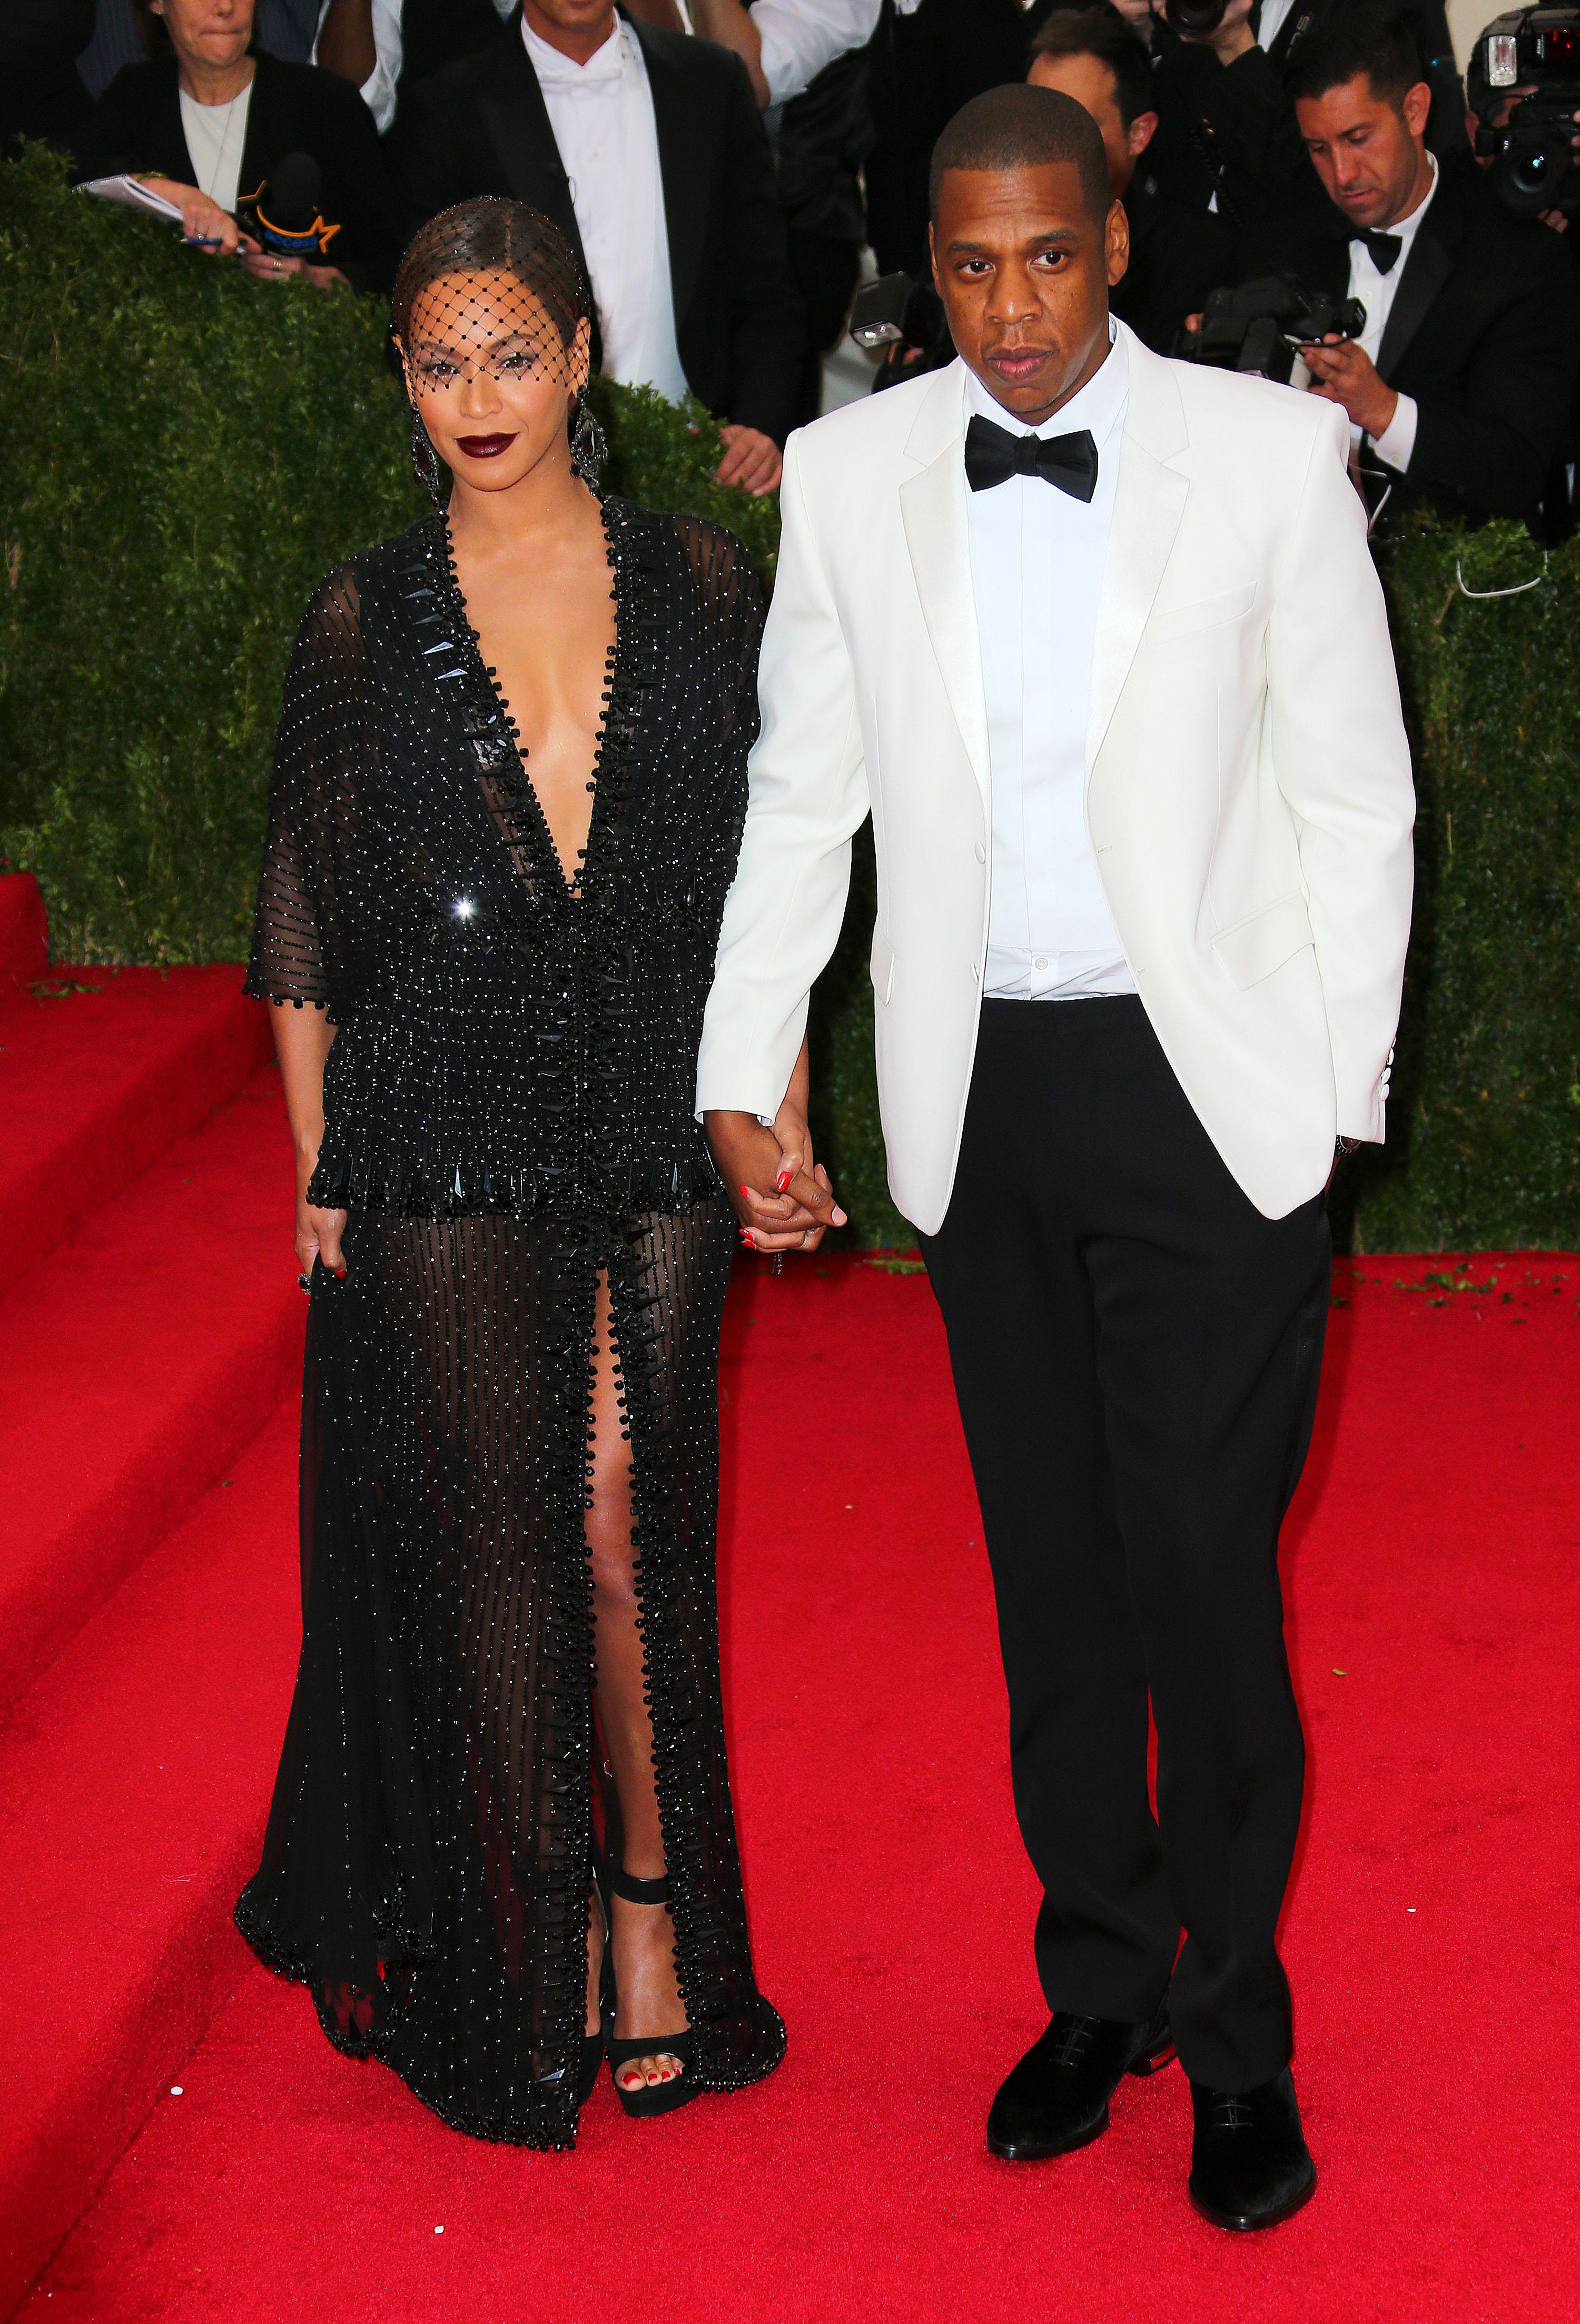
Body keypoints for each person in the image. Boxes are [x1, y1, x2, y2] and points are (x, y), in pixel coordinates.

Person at [700, 83, 1414, 2228]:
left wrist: (1329, 1108)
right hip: (981, 1103)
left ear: (1117, 242)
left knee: (1202, 1572)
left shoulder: (1276, 457)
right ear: (931, 262)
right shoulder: (846, 477)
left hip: (1214, 1102)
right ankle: (1095, 1973)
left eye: (1051, 257)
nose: (1013, 312)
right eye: (972, 264)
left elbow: (1357, 802)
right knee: (1056, 1588)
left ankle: (1237, 2021)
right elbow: (800, 798)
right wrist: (750, 1063)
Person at [235, 194, 807, 2143]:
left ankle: (656, 1916)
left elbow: (772, 875)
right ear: (402, 377)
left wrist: (775, 1084)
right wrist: (321, 1165)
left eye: (510, 353)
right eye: (435, 360)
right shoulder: (362, 611)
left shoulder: (708, 581)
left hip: (647, 1087)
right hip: (435, 1106)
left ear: (578, 354)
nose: (477, 396)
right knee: (497, 1529)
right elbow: (304, 909)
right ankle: (537, 1929)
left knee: (625, 1504)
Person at [401, 0, 804, 496]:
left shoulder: (711, 81)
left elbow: (767, 289)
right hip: (532, 487)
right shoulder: (449, 107)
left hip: (709, 472)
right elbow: (428, 321)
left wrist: (759, 428)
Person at [1246, 1, 1580, 526]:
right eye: (1318, 148)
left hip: (1457, 586)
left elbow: (1515, 470)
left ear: (1416, 110)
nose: (1342, 172)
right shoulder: (1280, 244)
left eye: (1358, 139)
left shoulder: (1518, 258)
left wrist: (1383, 410)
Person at [76, 0, 402, 289]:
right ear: (157, 3)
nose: (225, 7)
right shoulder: (133, 96)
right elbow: (76, 182)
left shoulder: (327, 104)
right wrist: (178, 197)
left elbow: (394, 263)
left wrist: (318, 282)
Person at [1030, 5, 1237, 353]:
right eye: (1033, 123)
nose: (1047, 147)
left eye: (1077, 127)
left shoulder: (1199, 257)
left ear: (1139, 134)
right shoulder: (981, 236)